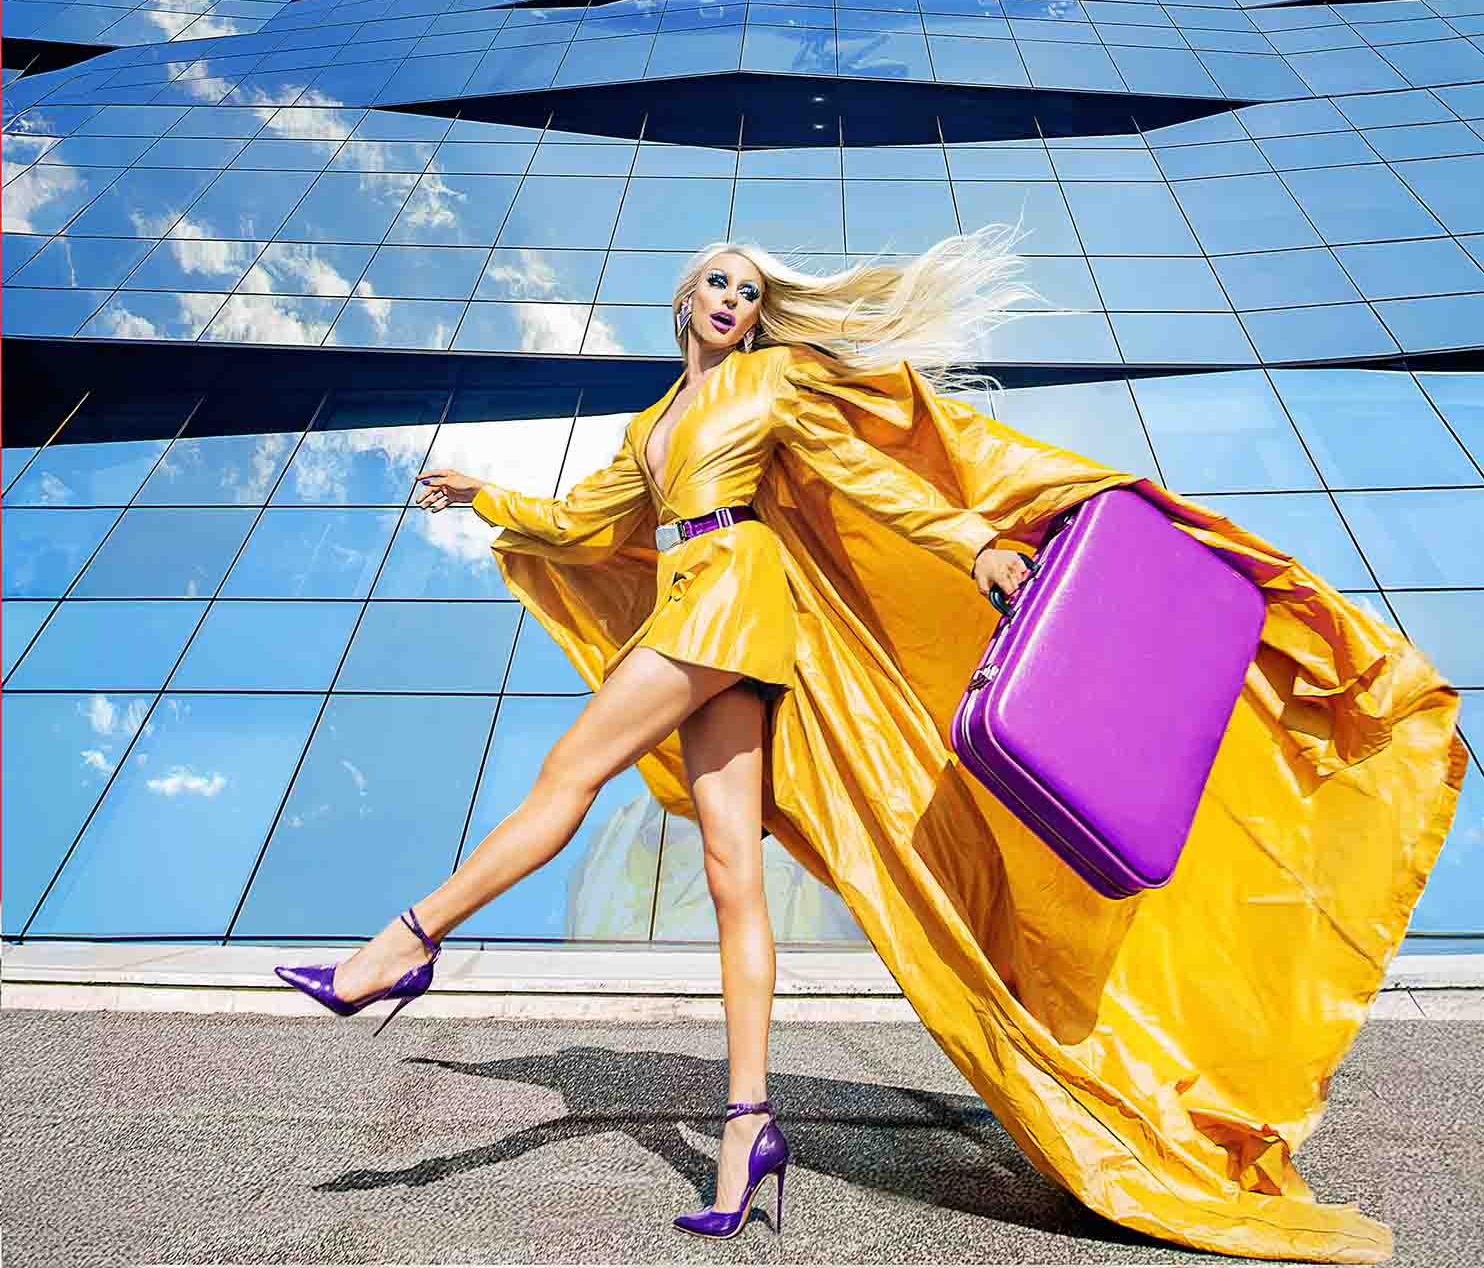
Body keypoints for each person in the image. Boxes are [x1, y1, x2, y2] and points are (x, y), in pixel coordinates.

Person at [276, 227, 1467, 1261]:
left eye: (750, 292)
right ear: (684, 302)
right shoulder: (654, 424)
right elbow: (582, 522)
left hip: (724, 595)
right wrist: (481, 493)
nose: (736, 305)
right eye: (720, 288)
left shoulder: (775, 385)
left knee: (567, 774)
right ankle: (749, 1128)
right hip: (701, 601)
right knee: (734, 879)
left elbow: (866, 475)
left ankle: (401, 946)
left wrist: (970, 544)